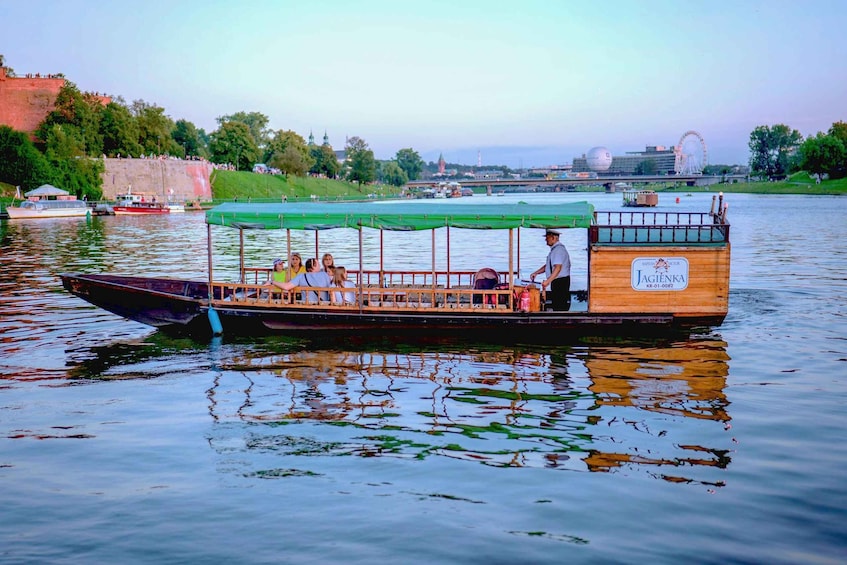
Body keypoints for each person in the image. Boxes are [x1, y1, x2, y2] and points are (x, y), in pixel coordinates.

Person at [530, 229, 571, 311]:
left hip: (560, 281)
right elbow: (549, 266)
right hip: (557, 281)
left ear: (553, 238)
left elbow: (558, 268)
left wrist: (548, 281)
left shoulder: (558, 250)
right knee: (556, 303)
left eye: (547, 237)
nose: (545, 239)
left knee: (559, 305)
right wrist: (536, 273)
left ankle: (560, 321)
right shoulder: (555, 250)